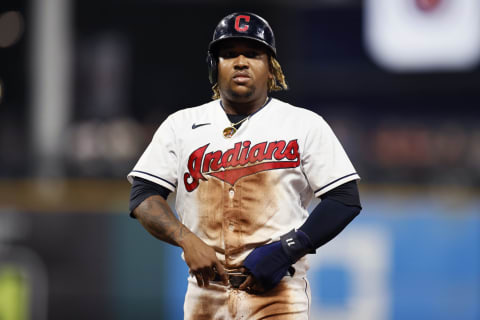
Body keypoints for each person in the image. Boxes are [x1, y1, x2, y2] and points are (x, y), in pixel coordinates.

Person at [127, 12, 362, 320]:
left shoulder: (303, 124)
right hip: (205, 294)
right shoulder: (180, 125)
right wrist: (185, 239)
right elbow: (143, 196)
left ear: (271, 68)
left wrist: (286, 250)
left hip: (278, 294)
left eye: (253, 54)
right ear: (215, 66)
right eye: (228, 55)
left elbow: (344, 199)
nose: (240, 62)